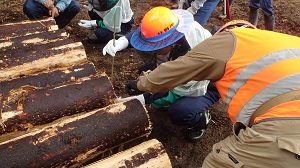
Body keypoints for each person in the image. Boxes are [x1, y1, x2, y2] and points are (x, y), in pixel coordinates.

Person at [123, 19, 300, 167]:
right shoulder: (282, 40)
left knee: (217, 161)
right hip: (284, 111)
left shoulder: (226, 42)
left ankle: (201, 120)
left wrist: (141, 88)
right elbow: (149, 33)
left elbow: (174, 77)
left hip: (285, 124)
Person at [102, 6, 221, 141]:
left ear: (171, 43)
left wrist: (140, 100)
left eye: (155, 47)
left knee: (180, 110)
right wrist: (122, 41)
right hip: (177, 66)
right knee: (144, 70)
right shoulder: (169, 23)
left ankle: (200, 120)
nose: (151, 50)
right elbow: (146, 34)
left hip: (207, 84)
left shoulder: (194, 57)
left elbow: (176, 92)